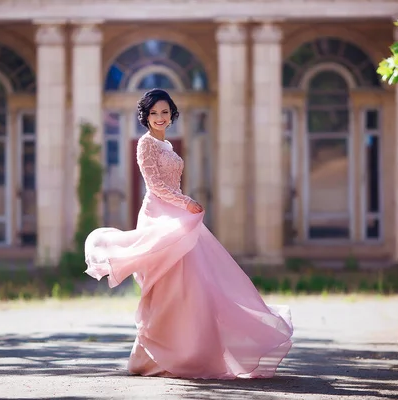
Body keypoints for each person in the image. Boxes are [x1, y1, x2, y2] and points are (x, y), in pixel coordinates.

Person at [84, 88, 293, 380]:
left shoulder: (168, 146)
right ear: (146, 116)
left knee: (192, 283)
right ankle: (151, 356)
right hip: (159, 214)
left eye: (165, 112)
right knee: (165, 284)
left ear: (172, 115)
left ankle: (189, 351)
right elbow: (155, 186)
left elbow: (171, 184)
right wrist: (187, 202)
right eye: (154, 113)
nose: (160, 117)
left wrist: (183, 205)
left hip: (177, 214)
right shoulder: (145, 144)